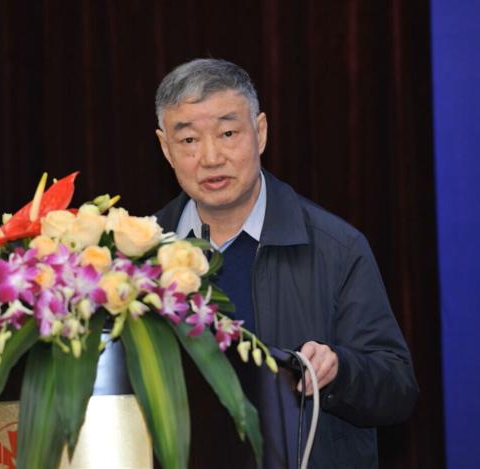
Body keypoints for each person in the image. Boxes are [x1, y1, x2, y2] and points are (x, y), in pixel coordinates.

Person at [154, 58, 418, 468]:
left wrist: (340, 371)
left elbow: (397, 389)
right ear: (165, 148)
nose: (210, 157)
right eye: (188, 140)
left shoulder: (336, 247)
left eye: (228, 133)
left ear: (260, 133)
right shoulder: (136, 258)